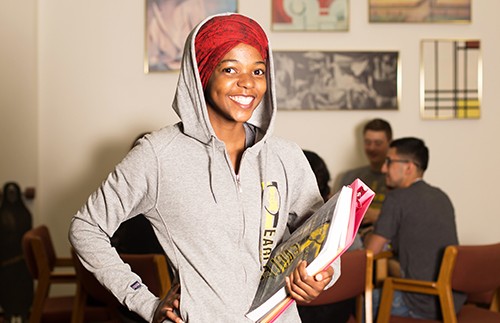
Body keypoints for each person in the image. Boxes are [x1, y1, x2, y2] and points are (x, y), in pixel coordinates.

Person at [69, 13, 340, 323]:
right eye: (229, 69)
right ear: (202, 73)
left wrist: (322, 275)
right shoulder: (158, 154)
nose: (248, 83)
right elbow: (85, 227)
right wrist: (143, 301)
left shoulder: (286, 156)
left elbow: (325, 238)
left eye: (258, 70)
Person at [364, 137, 466, 320]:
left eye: (389, 162)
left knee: (365, 301)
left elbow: (369, 254)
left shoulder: (397, 199)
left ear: (409, 167)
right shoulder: (441, 196)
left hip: (419, 302)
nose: (383, 169)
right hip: (451, 301)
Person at [337, 118, 392, 244]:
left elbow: (407, 218)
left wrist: (378, 216)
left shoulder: (398, 179)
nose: (372, 148)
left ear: (389, 144)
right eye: (368, 142)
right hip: (351, 242)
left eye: (378, 143)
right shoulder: (349, 177)